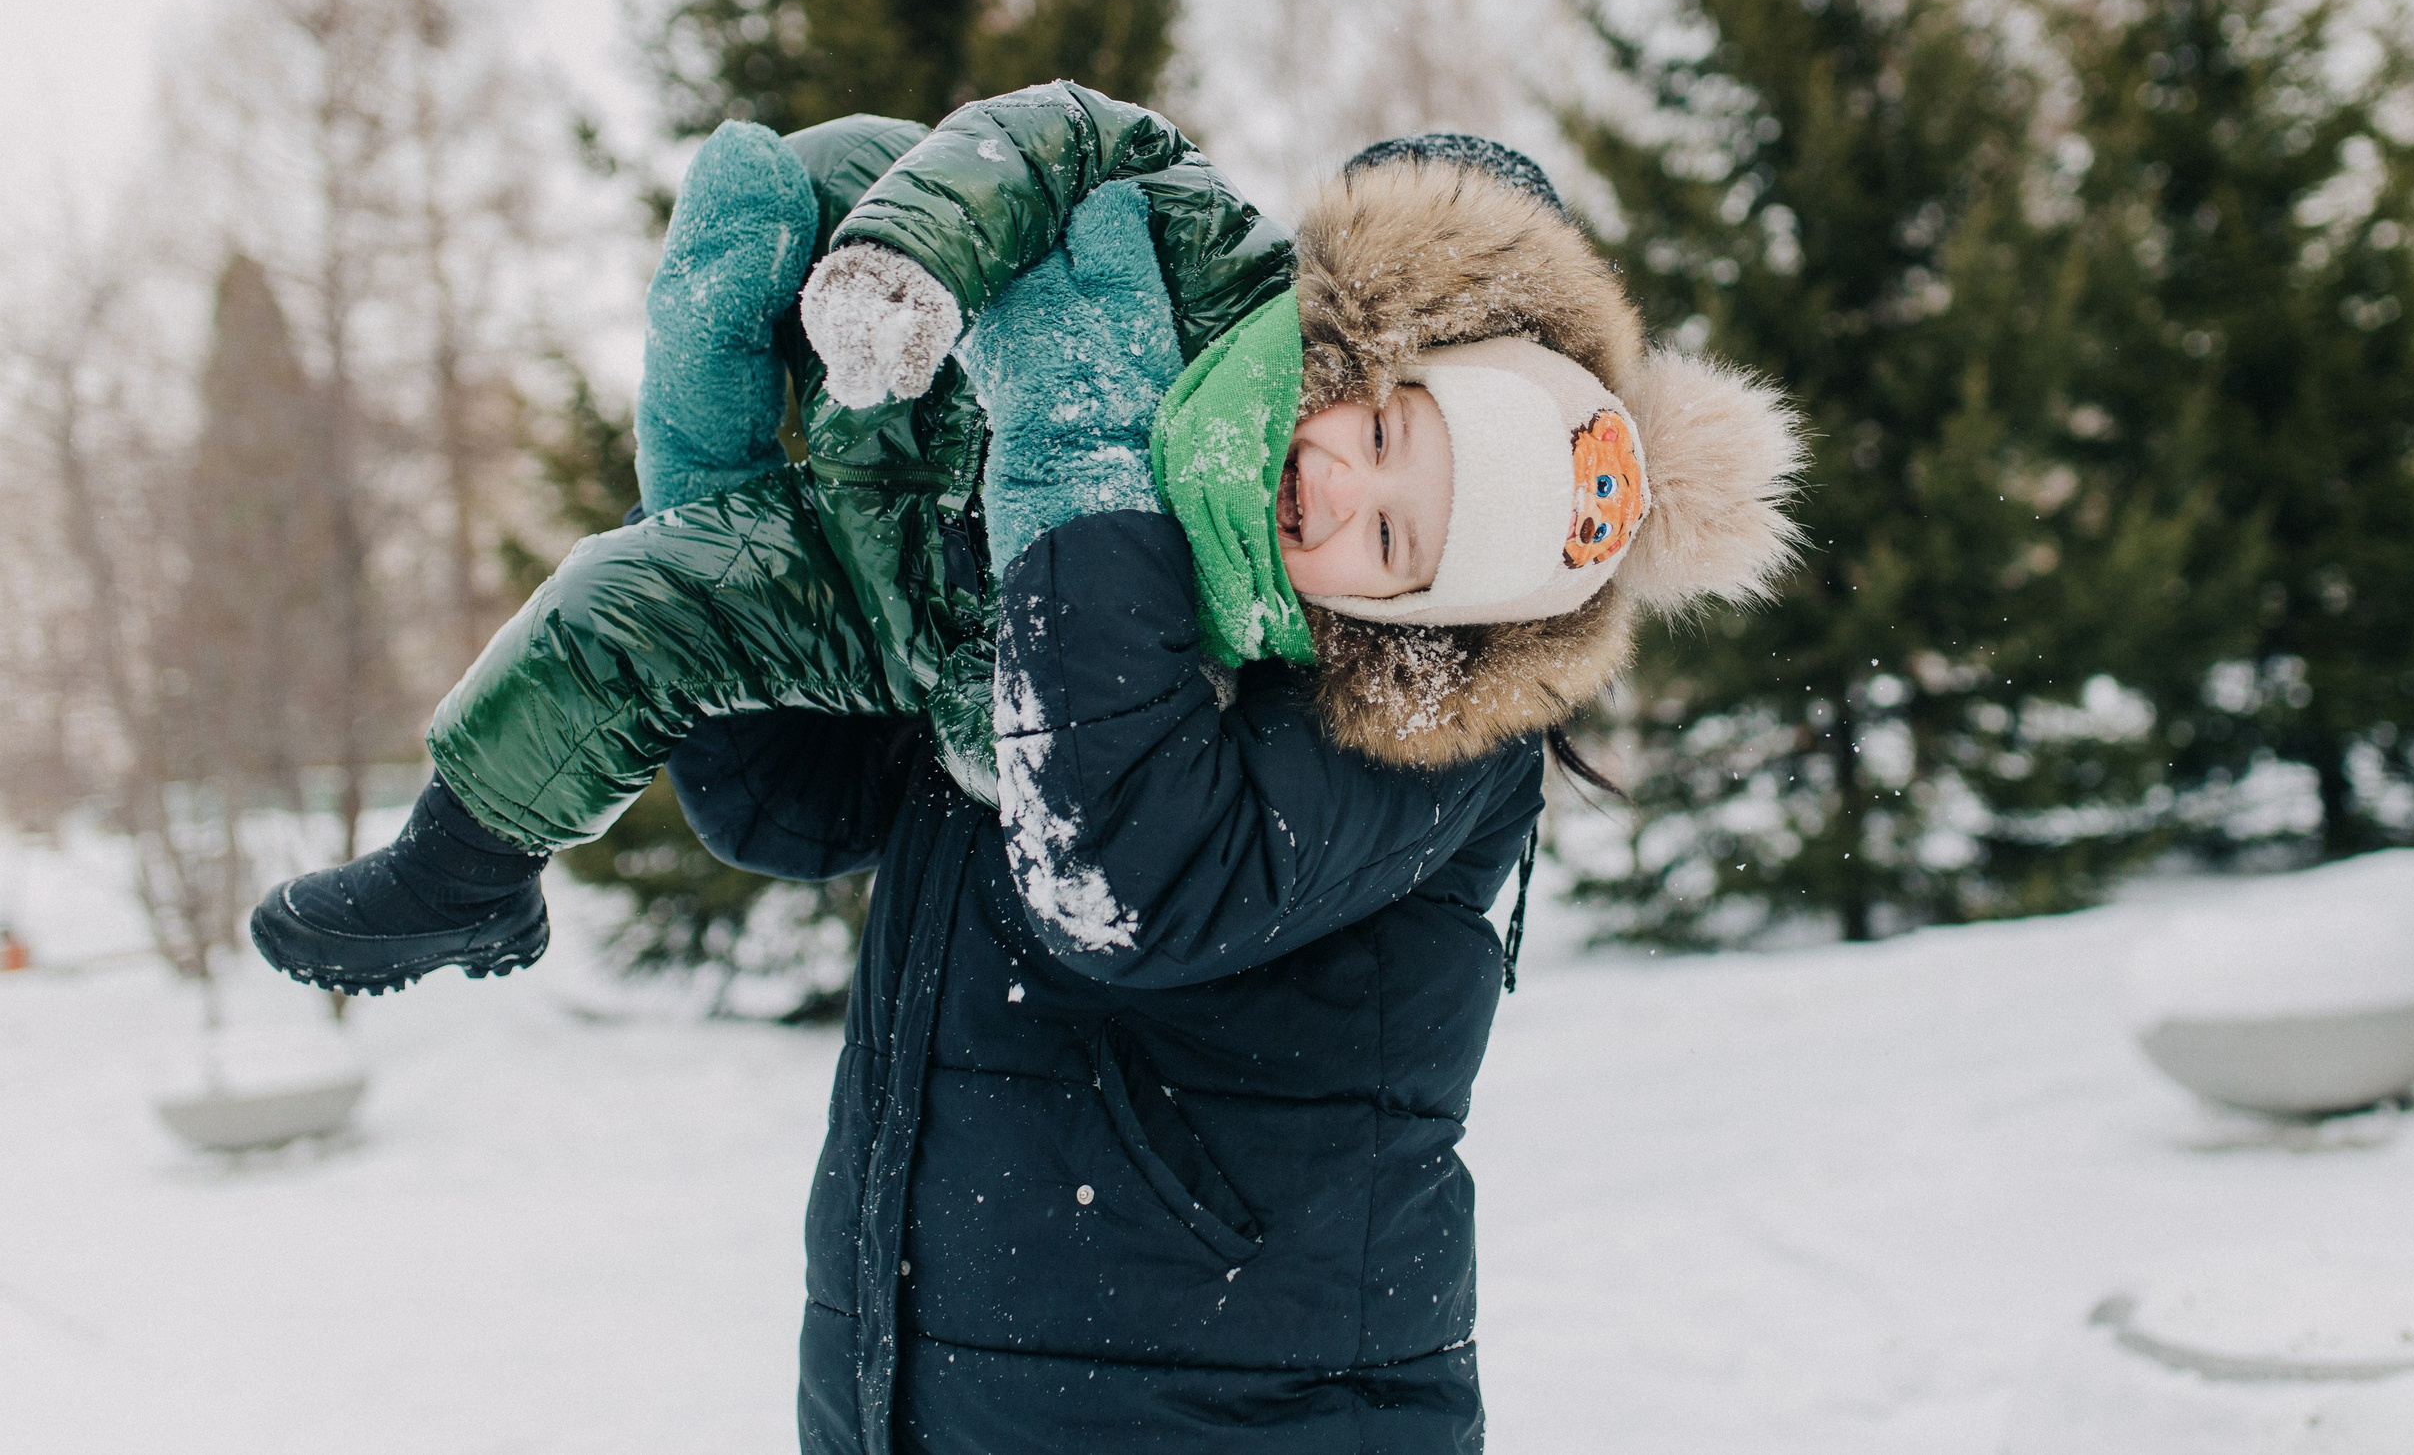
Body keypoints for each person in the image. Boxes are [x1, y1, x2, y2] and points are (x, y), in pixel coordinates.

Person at [247, 85, 1800, 1002]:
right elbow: (1059, 138)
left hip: (895, 609)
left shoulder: (1330, 708)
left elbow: (1081, 811)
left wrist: (1029, 552)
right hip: (904, 388)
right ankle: (490, 834)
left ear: (1401, 623)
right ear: (1388, 343)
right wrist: (905, 254)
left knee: (628, 605)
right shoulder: (1219, 266)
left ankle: (464, 863)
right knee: (843, 161)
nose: (1338, 492)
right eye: (1384, 437)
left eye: (1390, 543)